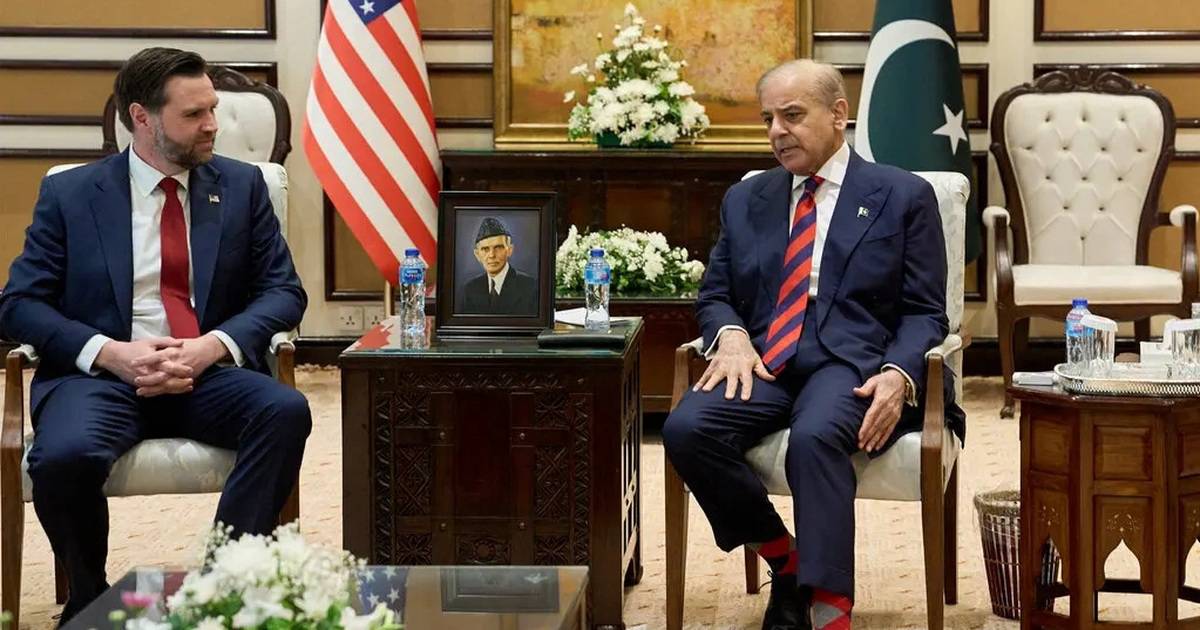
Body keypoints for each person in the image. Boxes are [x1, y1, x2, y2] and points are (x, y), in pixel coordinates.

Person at [0, 47, 310, 622]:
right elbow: (17, 304)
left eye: (212, 109)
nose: (212, 124)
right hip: (102, 377)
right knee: (61, 457)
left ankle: (224, 588)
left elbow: (283, 292)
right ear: (142, 117)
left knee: (285, 411)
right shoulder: (72, 194)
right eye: (194, 114)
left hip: (205, 372)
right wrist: (109, 353)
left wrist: (212, 346)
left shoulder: (242, 186)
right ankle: (90, 600)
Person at [662, 59, 965, 630]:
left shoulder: (902, 194)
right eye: (768, 119)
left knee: (815, 436)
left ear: (838, 115)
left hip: (851, 361)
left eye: (793, 115)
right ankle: (787, 559)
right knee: (686, 428)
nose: (778, 131)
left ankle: (829, 606)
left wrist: (899, 373)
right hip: (765, 358)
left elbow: (928, 311)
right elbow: (716, 294)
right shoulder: (747, 198)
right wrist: (730, 335)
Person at [460, 216, 538, 316]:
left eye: (498, 247)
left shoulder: (529, 287)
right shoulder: (470, 289)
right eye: (485, 249)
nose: (492, 255)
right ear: (477, 254)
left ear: (510, 250)